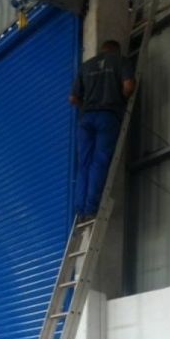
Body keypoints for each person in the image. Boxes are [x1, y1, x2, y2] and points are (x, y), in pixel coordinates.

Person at [69, 40, 135, 221]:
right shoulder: (120, 61)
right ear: (117, 50)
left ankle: (80, 210)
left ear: (102, 50)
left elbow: (73, 98)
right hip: (107, 116)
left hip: (86, 119)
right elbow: (129, 86)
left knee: (84, 164)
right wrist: (120, 100)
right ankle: (91, 207)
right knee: (99, 161)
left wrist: (86, 106)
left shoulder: (86, 66)